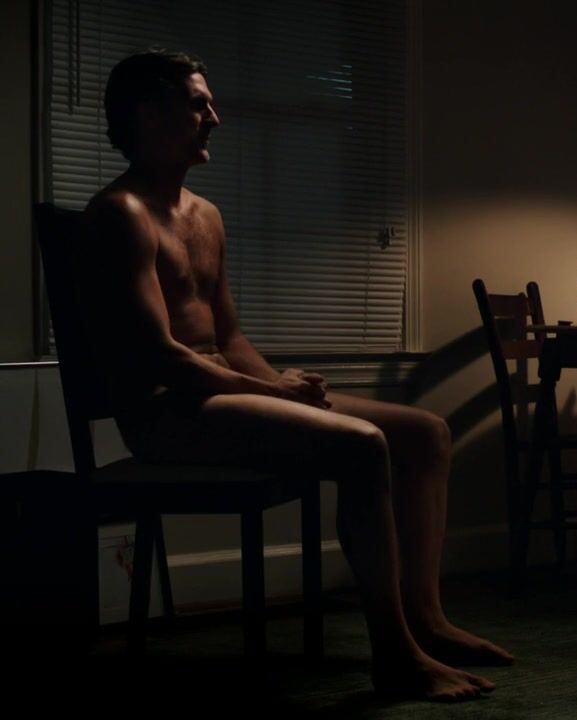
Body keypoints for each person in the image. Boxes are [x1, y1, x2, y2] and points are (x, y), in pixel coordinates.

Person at [81, 50, 512, 702]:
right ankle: (395, 653)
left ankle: (427, 620)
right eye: (198, 104)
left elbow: (228, 340)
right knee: (361, 445)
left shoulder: (206, 215)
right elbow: (160, 355)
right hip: (166, 416)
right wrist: (269, 392)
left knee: (425, 433)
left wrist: (284, 385)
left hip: (224, 397)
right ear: (146, 114)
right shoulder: (120, 214)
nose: (214, 118)